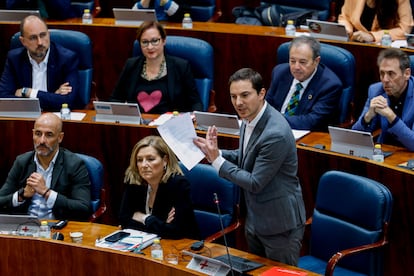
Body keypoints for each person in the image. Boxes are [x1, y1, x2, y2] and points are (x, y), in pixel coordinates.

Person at [193, 68, 306, 266]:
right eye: (233, 96)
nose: (238, 103)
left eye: (245, 95)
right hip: (255, 219)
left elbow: (255, 182)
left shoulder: (275, 133)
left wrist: (216, 161)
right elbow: (246, 158)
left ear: (261, 93)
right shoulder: (249, 118)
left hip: (280, 224)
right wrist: (215, 152)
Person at [0, 113, 91, 220]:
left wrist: (46, 192)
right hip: (24, 226)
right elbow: (1, 200)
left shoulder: (74, 164)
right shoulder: (22, 162)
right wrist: (22, 195)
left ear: (60, 137)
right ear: (33, 134)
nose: (42, 141)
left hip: (56, 227)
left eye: (49, 135)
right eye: (38, 134)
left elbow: (83, 208)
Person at [110, 21, 203, 114]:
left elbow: (196, 103)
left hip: (170, 125)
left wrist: (194, 116)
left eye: (154, 41)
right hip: (138, 125)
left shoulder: (181, 66)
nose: (150, 47)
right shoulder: (131, 65)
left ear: (163, 40)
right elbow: (115, 99)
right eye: (145, 42)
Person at [119, 135, 200, 240]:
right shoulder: (135, 182)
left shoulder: (178, 185)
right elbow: (124, 221)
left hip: (181, 247)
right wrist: (161, 224)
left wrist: (145, 218)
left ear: (165, 160)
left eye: (150, 159)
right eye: (139, 160)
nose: (144, 165)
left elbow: (175, 231)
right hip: (144, 243)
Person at [0, 15, 82, 111]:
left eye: (43, 35)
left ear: (48, 34)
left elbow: (67, 101)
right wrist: (53, 97)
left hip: (55, 117)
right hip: (26, 117)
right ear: (23, 41)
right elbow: (3, 98)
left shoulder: (67, 59)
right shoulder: (14, 59)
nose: (40, 42)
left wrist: (27, 92)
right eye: (33, 38)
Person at [266, 36, 342, 131]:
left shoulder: (330, 85)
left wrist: (274, 121)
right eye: (292, 61)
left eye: (302, 62)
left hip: (308, 137)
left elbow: (312, 121)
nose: (296, 67)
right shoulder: (279, 72)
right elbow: (266, 106)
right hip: (272, 131)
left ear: (316, 61)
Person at [352, 48, 414, 151]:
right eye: (382, 73)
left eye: (391, 74)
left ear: (406, 74)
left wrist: (391, 117)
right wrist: (368, 117)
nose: (385, 80)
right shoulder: (376, 90)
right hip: (385, 153)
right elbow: (354, 138)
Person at [338, 0, 413, 43]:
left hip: (385, 49)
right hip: (356, 44)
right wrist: (347, 30)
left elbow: (405, 30)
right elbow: (345, 17)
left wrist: (373, 36)